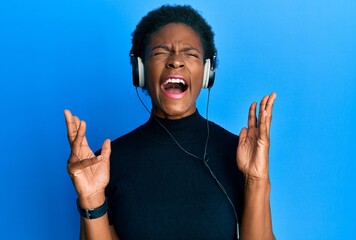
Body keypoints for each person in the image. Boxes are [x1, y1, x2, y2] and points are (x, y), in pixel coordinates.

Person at [65, 4, 277, 240]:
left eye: (190, 53)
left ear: (207, 73)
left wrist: (256, 180)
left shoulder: (238, 155)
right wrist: (91, 199)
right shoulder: (106, 163)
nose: (176, 61)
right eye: (160, 52)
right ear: (141, 71)